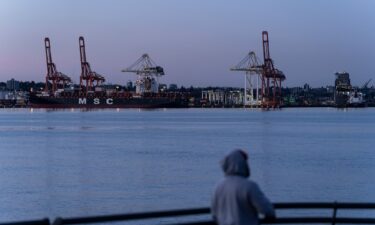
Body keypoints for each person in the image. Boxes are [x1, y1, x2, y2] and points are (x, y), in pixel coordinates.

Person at [211, 149, 275, 225]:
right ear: (243, 164)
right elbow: (266, 209)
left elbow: (214, 213)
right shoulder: (250, 186)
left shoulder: (218, 186)